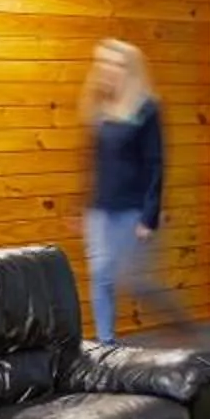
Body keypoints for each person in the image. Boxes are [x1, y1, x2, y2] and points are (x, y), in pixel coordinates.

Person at [81, 37, 191, 344]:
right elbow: (93, 161)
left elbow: (156, 162)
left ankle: (181, 323)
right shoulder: (100, 107)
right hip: (100, 210)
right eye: (103, 63)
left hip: (132, 210)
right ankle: (107, 346)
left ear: (129, 69)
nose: (108, 69)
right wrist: (83, 205)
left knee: (136, 282)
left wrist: (149, 215)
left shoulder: (146, 108)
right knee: (100, 276)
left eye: (116, 64)